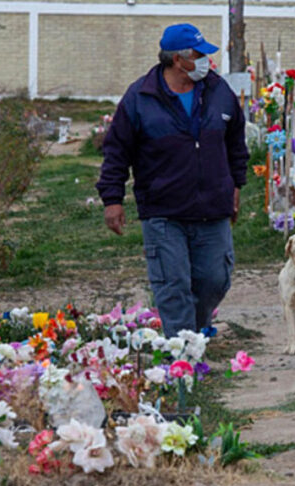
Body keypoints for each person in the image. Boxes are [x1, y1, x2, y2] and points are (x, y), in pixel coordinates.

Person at [96, 23, 249, 339]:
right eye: (199, 54)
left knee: (215, 280)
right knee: (172, 284)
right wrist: (112, 199)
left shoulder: (219, 92)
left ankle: (191, 333)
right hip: (163, 211)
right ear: (179, 60)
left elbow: (236, 144)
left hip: (213, 208)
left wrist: (235, 186)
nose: (207, 60)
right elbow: (116, 150)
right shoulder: (140, 97)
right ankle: (181, 356)